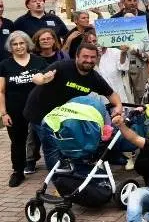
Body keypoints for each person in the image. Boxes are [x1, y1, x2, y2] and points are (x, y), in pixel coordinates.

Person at [24, 44, 123, 169]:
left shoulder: (94, 77)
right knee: (53, 147)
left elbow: (111, 94)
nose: (89, 60)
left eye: (93, 57)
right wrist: (43, 79)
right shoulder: (61, 66)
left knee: (65, 143)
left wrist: (118, 106)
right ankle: (58, 180)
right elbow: (36, 77)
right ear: (76, 56)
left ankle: (68, 174)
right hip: (40, 112)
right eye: (85, 56)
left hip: (63, 115)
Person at [0, 31, 47, 186]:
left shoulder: (39, 62)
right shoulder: (4, 65)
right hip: (15, 110)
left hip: (38, 108)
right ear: (10, 47)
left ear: (27, 44)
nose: (19, 46)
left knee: (46, 138)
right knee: (17, 141)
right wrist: (4, 113)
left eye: (22, 43)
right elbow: (1, 91)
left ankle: (54, 169)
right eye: (15, 44)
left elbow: (50, 81)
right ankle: (18, 171)